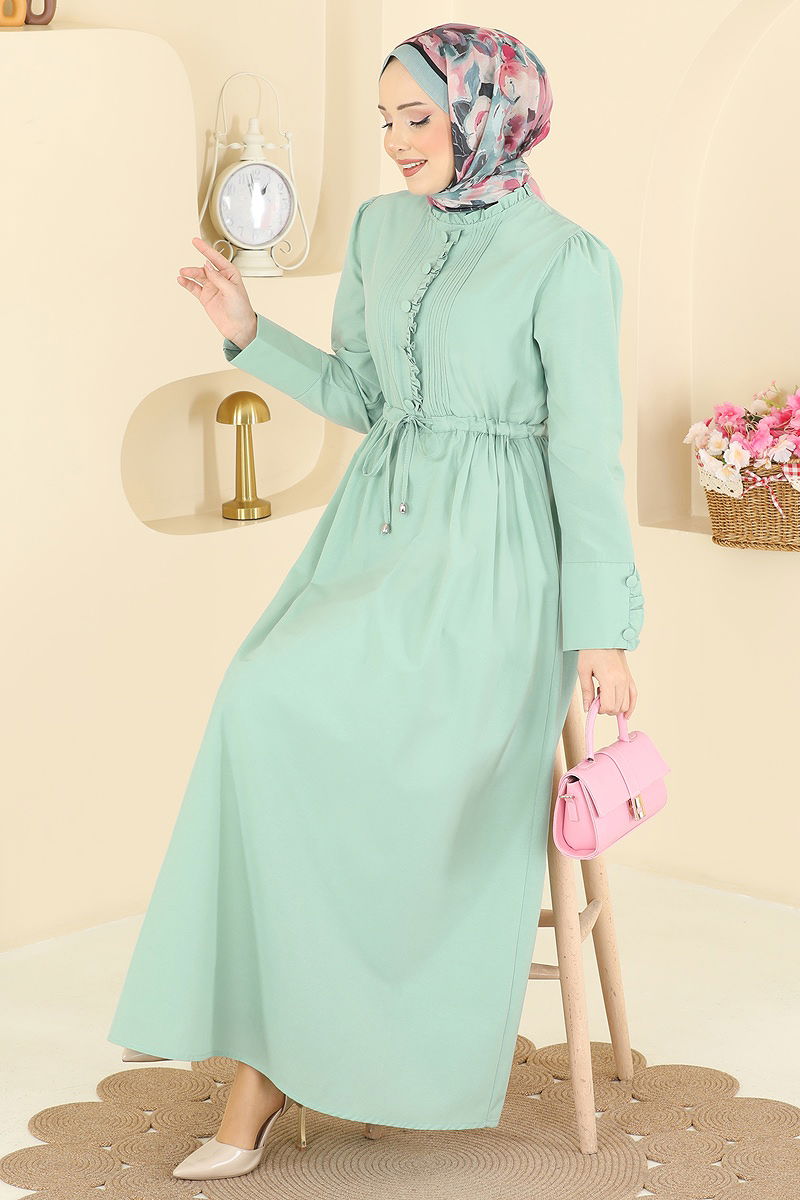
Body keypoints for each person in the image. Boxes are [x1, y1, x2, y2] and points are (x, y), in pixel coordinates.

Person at [108, 22, 644, 1182]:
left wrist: (602, 629)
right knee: (262, 700)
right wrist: (245, 333)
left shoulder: (565, 260)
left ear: (487, 113)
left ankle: (269, 1077)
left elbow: (586, 457)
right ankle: (280, 1030)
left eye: (420, 117)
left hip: (495, 568)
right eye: (387, 119)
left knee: (381, 751)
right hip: (375, 539)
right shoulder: (376, 228)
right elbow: (360, 394)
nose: (398, 142)